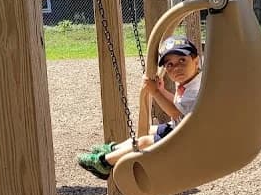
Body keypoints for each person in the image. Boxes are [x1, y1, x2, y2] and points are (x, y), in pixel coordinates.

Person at [76, 36, 202, 180]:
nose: (177, 68)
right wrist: (161, 91)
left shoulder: (195, 89)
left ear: (196, 61)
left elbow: (175, 112)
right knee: (148, 130)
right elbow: (179, 105)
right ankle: (114, 150)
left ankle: (104, 163)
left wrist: (155, 92)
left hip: (188, 139)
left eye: (182, 60)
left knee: (144, 141)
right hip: (184, 128)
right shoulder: (191, 81)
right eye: (170, 65)